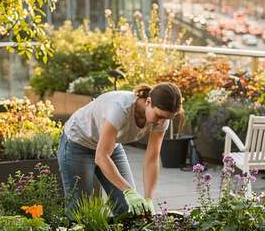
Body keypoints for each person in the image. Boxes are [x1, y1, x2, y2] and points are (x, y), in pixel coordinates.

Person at [58, 83, 183, 216]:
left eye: (166, 118)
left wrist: (148, 198)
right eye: (159, 116)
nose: (161, 122)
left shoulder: (162, 119)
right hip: (78, 143)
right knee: (81, 211)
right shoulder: (120, 107)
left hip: (110, 145)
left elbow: (152, 159)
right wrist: (128, 191)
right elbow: (101, 157)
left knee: (130, 208)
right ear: (148, 101)